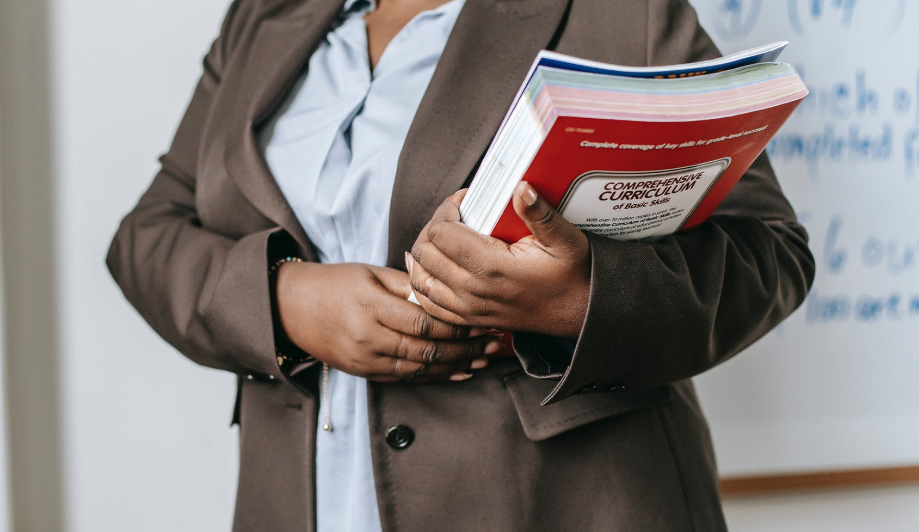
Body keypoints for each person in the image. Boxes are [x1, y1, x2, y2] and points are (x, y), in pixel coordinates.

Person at [106, 0, 816, 530]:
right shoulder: (264, 16)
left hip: (562, 503)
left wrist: (576, 298)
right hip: (299, 499)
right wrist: (285, 301)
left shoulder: (619, 11)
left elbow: (769, 251)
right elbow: (147, 235)